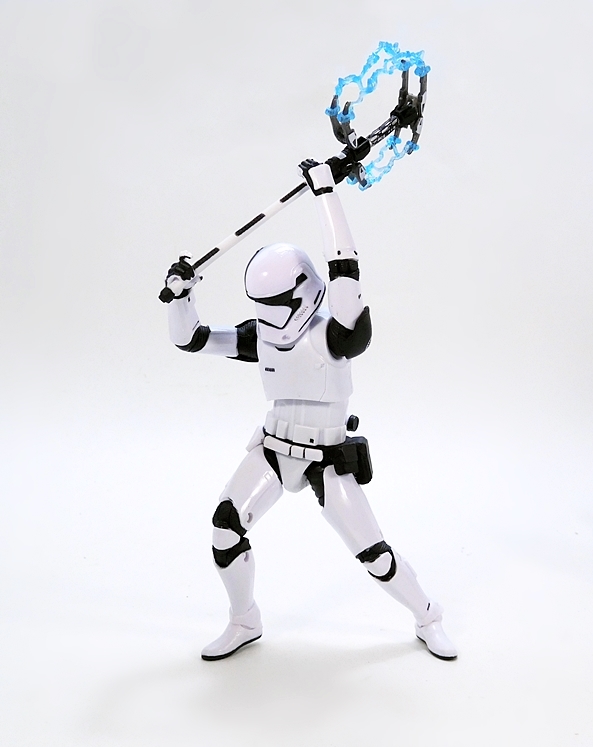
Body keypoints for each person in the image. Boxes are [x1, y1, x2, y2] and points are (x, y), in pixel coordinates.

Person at [163, 160, 457, 661]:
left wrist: (326, 193)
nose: (268, 319)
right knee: (225, 527)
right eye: (262, 307)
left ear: (301, 291)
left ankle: (428, 616)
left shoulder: (334, 335)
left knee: (374, 554)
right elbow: (191, 340)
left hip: (327, 457)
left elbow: (345, 269)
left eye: (277, 305)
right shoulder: (262, 336)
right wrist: (179, 296)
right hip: (274, 449)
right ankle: (244, 620)